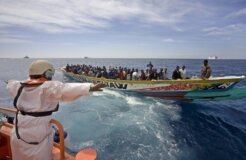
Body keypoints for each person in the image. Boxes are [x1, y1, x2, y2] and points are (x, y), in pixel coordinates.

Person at [6, 60, 105, 160]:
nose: (51, 76)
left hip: (18, 131)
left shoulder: (19, 86)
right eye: (50, 73)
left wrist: (8, 82)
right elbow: (65, 89)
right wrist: (88, 87)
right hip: (37, 135)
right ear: (45, 73)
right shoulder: (47, 87)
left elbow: (11, 84)